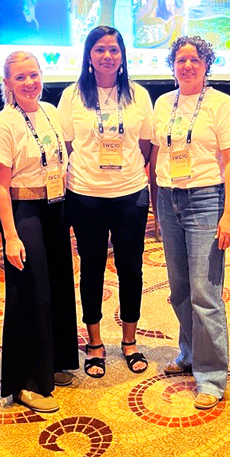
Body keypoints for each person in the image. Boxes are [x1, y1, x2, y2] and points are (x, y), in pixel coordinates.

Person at [150, 35, 230, 411]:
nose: (187, 65)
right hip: (168, 196)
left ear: (207, 65)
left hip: (206, 200)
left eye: (195, 59)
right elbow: (159, 154)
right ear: (172, 65)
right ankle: (188, 353)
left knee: (206, 291)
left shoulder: (221, 104)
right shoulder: (163, 103)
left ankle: (211, 376)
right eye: (181, 60)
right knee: (180, 287)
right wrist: (157, 208)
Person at [58, 26, 153, 378]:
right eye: (99, 50)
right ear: (89, 56)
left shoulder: (139, 95)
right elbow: (68, 145)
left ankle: (130, 341)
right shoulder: (72, 96)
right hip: (86, 195)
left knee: (131, 268)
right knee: (92, 267)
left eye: (113, 49)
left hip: (130, 194)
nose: (107, 56)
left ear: (123, 56)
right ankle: (94, 343)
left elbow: (144, 146)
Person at [0, 52, 79, 413]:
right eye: (21, 77)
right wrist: (10, 235)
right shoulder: (3, 123)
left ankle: (52, 364)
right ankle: (25, 383)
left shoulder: (50, 112)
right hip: (24, 212)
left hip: (55, 206)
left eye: (34, 75)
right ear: (8, 83)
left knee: (57, 288)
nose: (30, 83)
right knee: (31, 294)